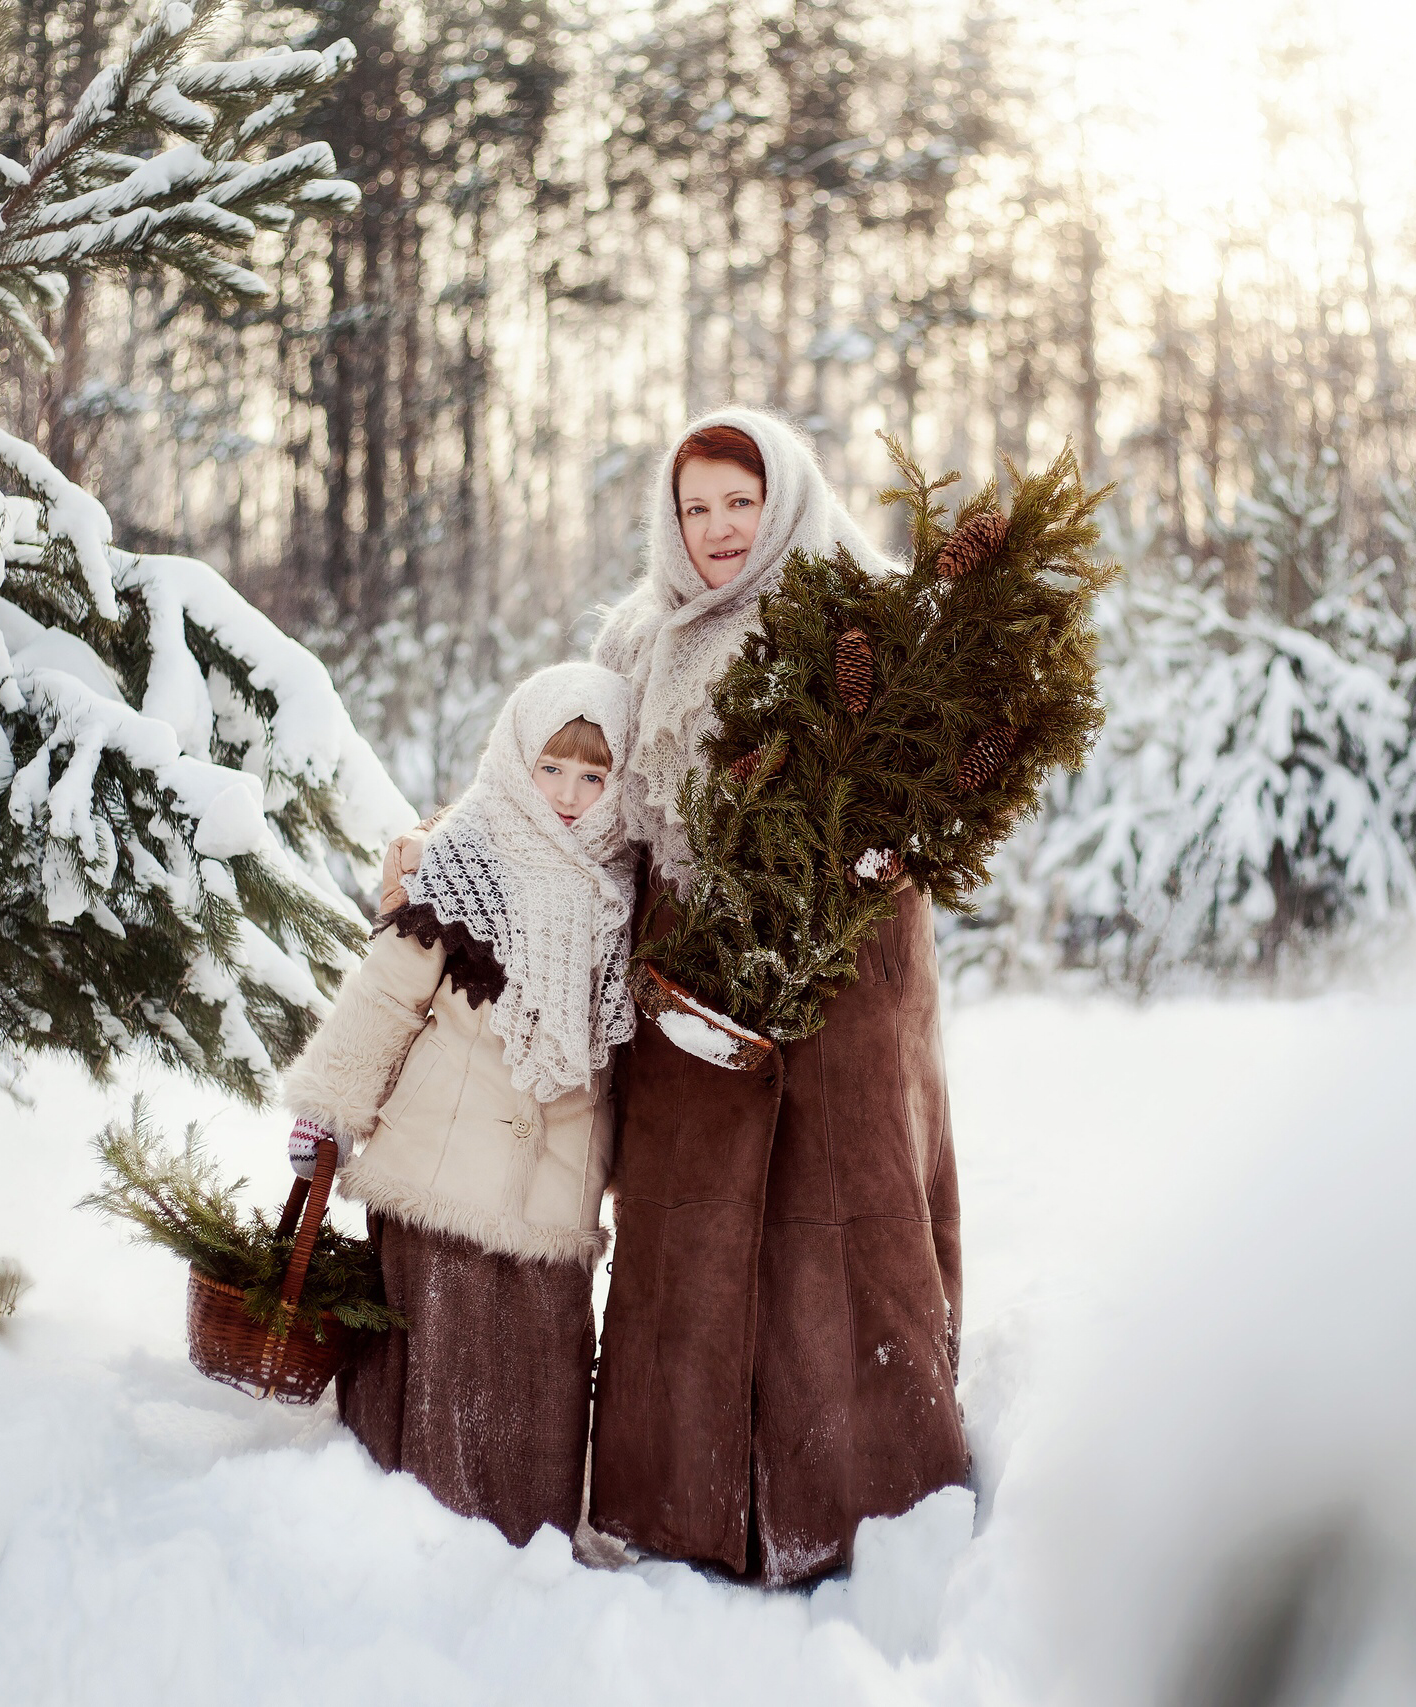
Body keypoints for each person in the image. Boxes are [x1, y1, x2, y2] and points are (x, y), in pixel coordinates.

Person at [587, 409, 970, 1585]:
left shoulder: (854, 610)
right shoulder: (636, 638)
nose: (714, 529)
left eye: (737, 503)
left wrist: (885, 849)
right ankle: (681, 1505)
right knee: (685, 1233)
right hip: (684, 975)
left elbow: (929, 782)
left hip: (840, 976)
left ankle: (859, 1502)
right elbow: (583, 791)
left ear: (784, 499)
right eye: (693, 507)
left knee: (835, 1221)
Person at [282, 662, 636, 1547]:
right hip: (438, 1161)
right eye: (553, 767)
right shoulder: (465, 853)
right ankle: (415, 1546)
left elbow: (625, 1062)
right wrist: (329, 1105)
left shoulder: (623, 887)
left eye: (594, 776)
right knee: (439, 1351)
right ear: (519, 756)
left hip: (554, 1191)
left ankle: (529, 1547)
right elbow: (389, 993)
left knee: (544, 1366)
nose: (568, 794)